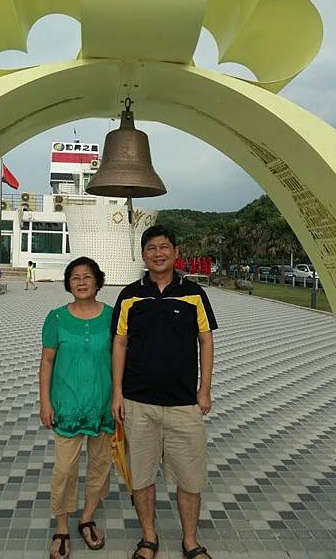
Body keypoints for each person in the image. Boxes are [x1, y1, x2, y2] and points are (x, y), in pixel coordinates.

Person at [112, 225, 217, 559]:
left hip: (184, 404)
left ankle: (190, 541)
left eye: (164, 247)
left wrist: (204, 390)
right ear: (143, 255)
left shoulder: (194, 293)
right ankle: (148, 538)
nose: (158, 253)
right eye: (151, 248)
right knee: (141, 477)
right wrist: (117, 393)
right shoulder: (129, 295)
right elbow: (120, 342)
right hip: (137, 403)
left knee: (190, 479)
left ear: (175, 252)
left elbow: (206, 340)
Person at [40, 257, 114, 559]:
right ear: (68, 284)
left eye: (87, 276)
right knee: (65, 469)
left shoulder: (113, 316)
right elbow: (47, 361)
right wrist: (44, 401)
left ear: (98, 281)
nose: (81, 282)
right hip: (66, 406)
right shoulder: (56, 318)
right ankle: (61, 526)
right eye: (75, 277)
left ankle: (87, 518)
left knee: (100, 466)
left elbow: (123, 359)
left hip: (104, 406)